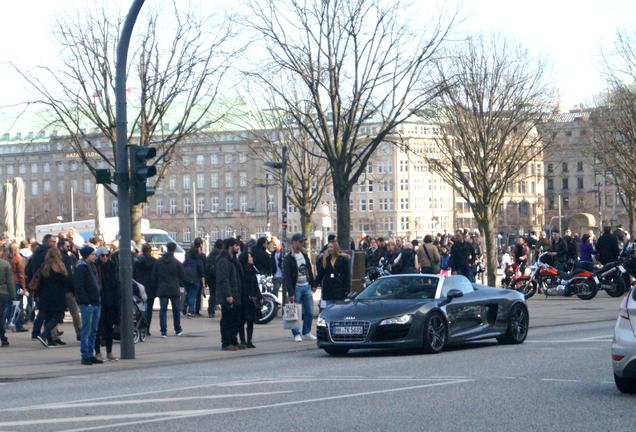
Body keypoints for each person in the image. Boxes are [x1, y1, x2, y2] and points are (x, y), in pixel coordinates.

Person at [283, 233, 316, 342]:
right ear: (294, 243)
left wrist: (313, 283)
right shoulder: (288, 258)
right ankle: (296, 333)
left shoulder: (304, 255)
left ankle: (306, 331)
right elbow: (287, 277)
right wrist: (290, 293)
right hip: (296, 287)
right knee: (295, 312)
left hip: (306, 286)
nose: (302, 244)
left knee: (310, 311)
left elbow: (309, 270)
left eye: (302, 242)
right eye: (300, 242)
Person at [36, 248, 71, 347]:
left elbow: (41, 282)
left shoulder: (45, 265)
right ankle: (43, 334)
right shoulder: (59, 265)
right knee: (58, 316)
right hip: (57, 295)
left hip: (45, 295)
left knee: (48, 316)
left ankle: (49, 340)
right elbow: (65, 280)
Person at [74, 245, 103, 365]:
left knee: (94, 330)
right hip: (88, 303)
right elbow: (79, 287)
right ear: (87, 255)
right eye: (93, 254)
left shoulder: (92, 266)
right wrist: (86, 301)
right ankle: (85, 354)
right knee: (87, 329)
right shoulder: (82, 267)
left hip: (95, 301)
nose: (95, 256)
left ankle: (90, 353)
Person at [152, 242, 184, 338]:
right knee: (176, 310)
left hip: (162, 289)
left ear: (167, 248)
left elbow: (154, 276)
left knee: (163, 310)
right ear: (174, 250)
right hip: (174, 289)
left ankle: (163, 331)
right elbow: (182, 276)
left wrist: (156, 287)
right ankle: (177, 329)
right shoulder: (177, 263)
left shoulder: (158, 262)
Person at [216, 238, 242, 351]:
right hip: (228, 295)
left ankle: (233, 340)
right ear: (231, 246)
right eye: (237, 246)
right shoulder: (223, 261)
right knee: (227, 319)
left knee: (235, 319)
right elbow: (224, 279)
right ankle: (226, 342)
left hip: (235, 294)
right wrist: (228, 295)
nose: (238, 248)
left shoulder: (233, 260)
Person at [94, 247, 119, 361]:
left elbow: (115, 284)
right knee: (97, 328)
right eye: (102, 255)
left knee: (109, 327)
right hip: (99, 301)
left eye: (106, 255)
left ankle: (109, 351)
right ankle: (97, 352)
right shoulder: (96, 267)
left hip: (110, 301)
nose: (104, 257)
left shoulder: (112, 266)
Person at [238, 251, 263, 348]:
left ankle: (249, 340)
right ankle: (243, 340)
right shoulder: (241, 270)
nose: (251, 258)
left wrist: (259, 296)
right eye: (249, 257)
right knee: (242, 320)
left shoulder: (252, 269)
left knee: (251, 320)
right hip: (244, 298)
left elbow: (255, 285)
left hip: (252, 298)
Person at [58, 238, 81, 342]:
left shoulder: (54, 259)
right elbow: (70, 275)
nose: (69, 248)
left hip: (58, 289)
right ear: (62, 246)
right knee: (75, 312)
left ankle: (51, 334)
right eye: (67, 246)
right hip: (67, 290)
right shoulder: (66, 258)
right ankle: (79, 332)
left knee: (56, 313)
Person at [315, 241, 350, 308]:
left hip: (339, 289)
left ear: (335, 248)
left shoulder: (343, 259)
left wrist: (347, 289)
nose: (329, 249)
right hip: (328, 290)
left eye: (331, 247)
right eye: (328, 247)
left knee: (339, 310)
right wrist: (314, 284)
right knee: (329, 309)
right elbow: (320, 274)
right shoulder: (326, 260)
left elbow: (347, 275)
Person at [134, 243, 157, 333]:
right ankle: (147, 328)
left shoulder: (138, 260)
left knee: (140, 307)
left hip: (139, 286)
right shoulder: (154, 261)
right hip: (151, 287)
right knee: (149, 308)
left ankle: (140, 326)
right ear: (150, 250)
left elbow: (134, 274)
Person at [8, 243, 27, 332]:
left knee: (12, 304)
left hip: (10, 283)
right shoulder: (18, 259)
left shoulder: (8, 258)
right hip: (17, 283)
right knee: (19, 304)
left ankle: (12, 322)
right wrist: (24, 287)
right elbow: (21, 274)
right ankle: (18, 325)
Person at [183, 242, 205, 318]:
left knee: (189, 294)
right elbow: (202, 274)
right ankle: (190, 312)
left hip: (186, 279)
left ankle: (186, 303)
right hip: (195, 280)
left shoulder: (187, 260)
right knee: (193, 296)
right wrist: (204, 285)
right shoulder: (199, 261)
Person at [0, 246, 16, 347]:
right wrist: (13, 296)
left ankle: (3, 336)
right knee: (1, 316)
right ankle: (3, 337)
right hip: (3, 292)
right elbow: (10, 282)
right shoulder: (5, 264)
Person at [205, 239, 223, 318]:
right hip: (217, 276)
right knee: (219, 293)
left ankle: (211, 311)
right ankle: (215, 308)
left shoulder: (210, 254)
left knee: (212, 294)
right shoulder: (220, 255)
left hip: (210, 277)